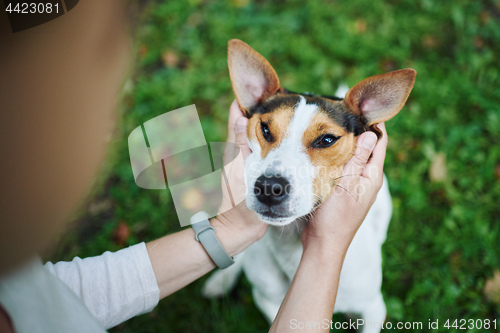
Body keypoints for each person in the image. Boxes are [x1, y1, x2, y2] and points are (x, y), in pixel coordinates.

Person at [0, 1, 387, 332]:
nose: (273, 181)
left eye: (323, 141)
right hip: (265, 256)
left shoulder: (19, 289)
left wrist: (233, 229)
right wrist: (324, 248)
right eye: (267, 131)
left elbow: (67, 290)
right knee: (267, 288)